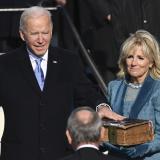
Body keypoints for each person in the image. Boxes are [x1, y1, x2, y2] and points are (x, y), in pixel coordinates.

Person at [0, 6, 124, 160]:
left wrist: (102, 106)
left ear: (51, 31)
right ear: (22, 34)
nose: (41, 39)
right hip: (18, 154)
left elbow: (86, 92)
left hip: (60, 154)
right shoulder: (5, 64)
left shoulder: (68, 61)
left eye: (45, 33)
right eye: (34, 34)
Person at [99, 30, 160, 160]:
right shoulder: (114, 86)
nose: (133, 63)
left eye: (140, 58)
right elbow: (107, 126)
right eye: (130, 56)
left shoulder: (158, 89)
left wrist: (143, 148)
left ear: (151, 62)